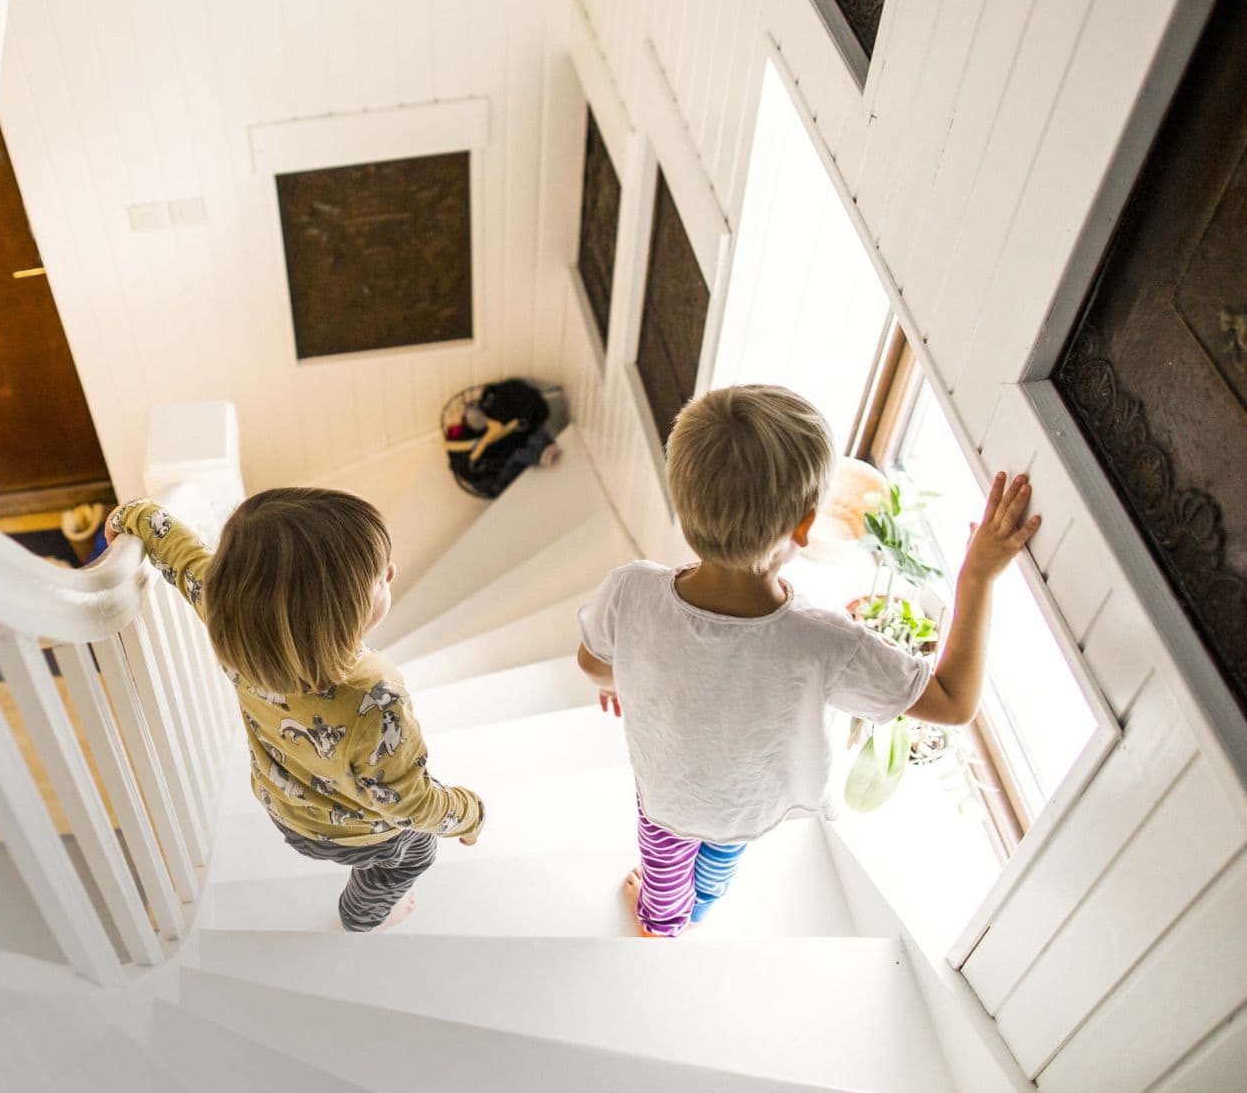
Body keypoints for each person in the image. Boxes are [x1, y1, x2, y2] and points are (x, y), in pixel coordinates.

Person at [574, 385, 1040, 936]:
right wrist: (976, 577)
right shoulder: (826, 643)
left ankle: (662, 922)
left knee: (664, 868)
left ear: (682, 506)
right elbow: (955, 701)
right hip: (748, 806)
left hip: (667, 797)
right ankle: (699, 906)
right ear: (803, 527)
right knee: (719, 866)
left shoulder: (632, 591)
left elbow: (593, 664)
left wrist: (623, 681)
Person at [107, 489, 484, 932]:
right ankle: (364, 914)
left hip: (284, 809)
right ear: (335, 615)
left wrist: (136, 516)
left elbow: (184, 558)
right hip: (360, 836)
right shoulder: (376, 697)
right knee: (413, 855)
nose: (393, 573)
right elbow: (408, 804)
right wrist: (471, 811)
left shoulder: (234, 614)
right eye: (380, 577)